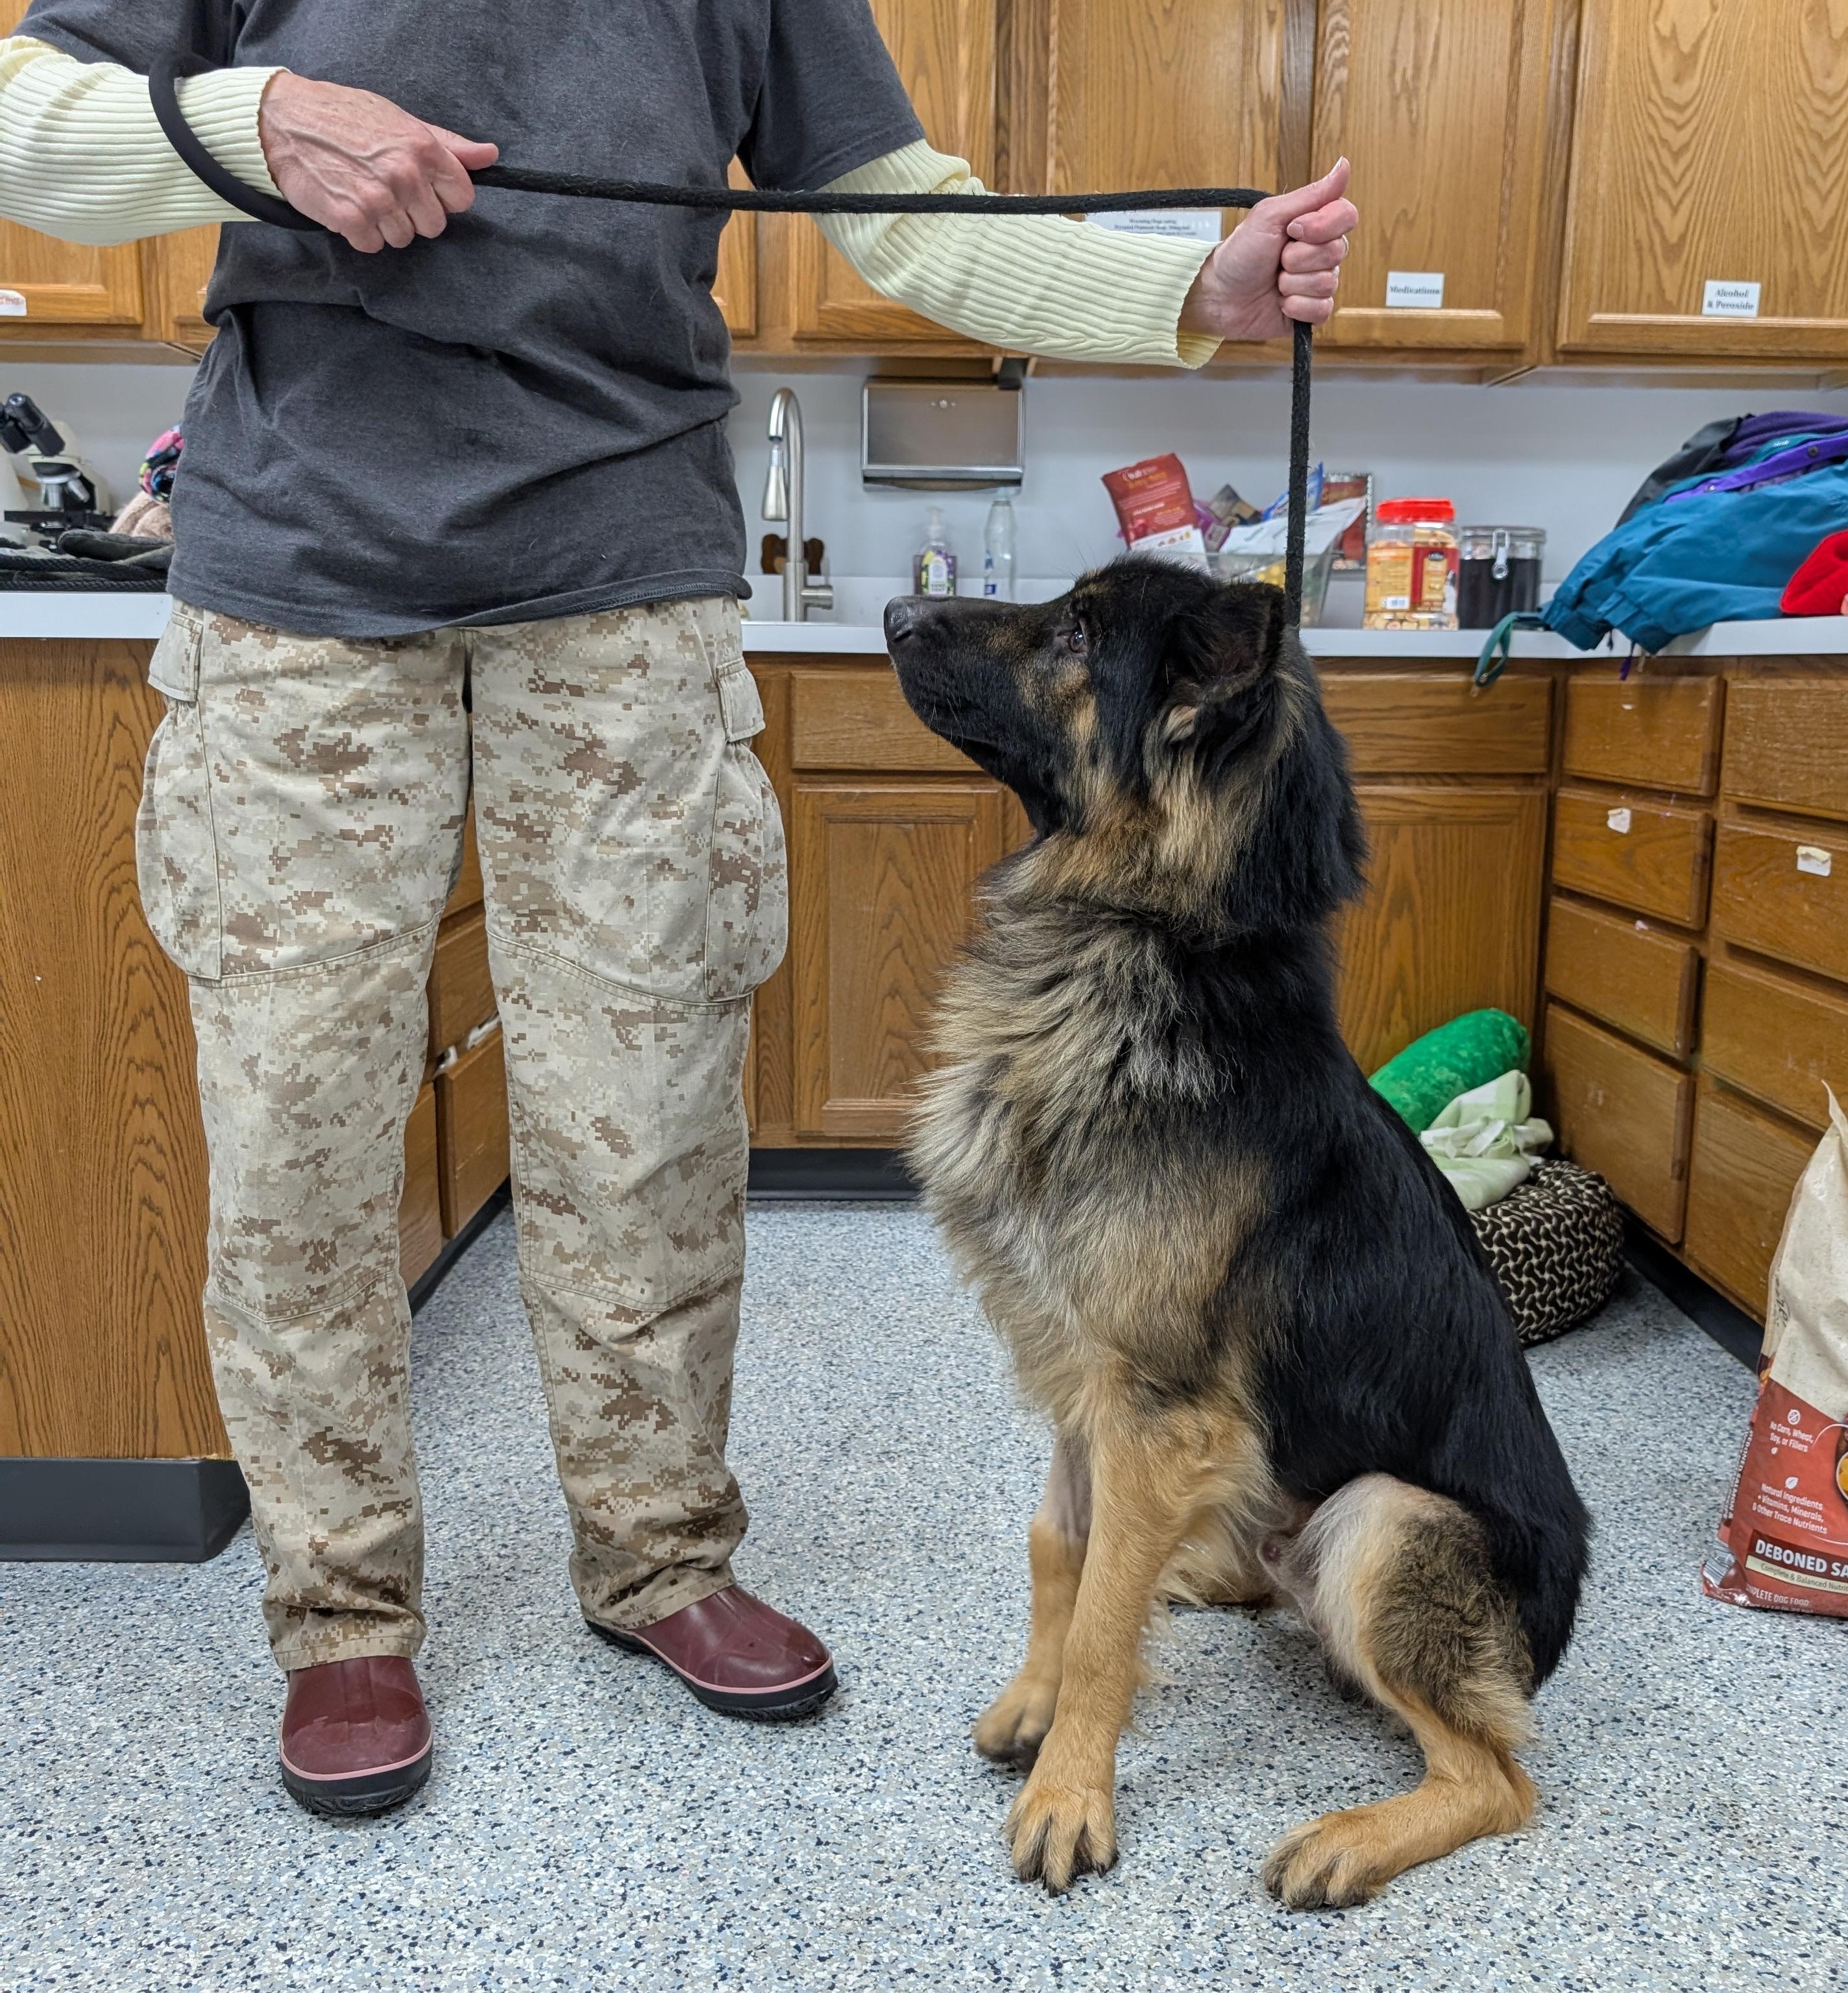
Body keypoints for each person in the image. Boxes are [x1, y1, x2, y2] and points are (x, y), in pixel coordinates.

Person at [0, 1, 1356, 1817]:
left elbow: (894, 207)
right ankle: (339, 1617)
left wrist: (1196, 287)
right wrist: (265, 125)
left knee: (643, 1131)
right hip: (295, 592)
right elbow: (22, 118)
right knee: (295, 1136)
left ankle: (659, 1563)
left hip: (624, 583)